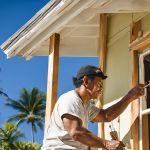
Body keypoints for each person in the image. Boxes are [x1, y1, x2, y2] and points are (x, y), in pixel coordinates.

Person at [41, 65, 145, 150]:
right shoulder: (70, 99)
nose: (102, 89)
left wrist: (130, 97)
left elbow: (106, 116)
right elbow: (76, 133)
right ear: (86, 81)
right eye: (99, 84)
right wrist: (106, 143)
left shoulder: (86, 106)